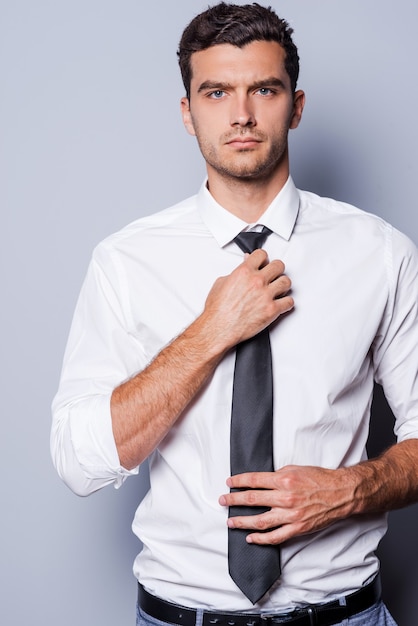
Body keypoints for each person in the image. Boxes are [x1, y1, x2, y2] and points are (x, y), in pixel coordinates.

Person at [51, 3, 418, 625]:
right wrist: (210, 332)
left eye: (264, 90)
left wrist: (352, 489)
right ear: (187, 112)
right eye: (216, 91)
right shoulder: (126, 260)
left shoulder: (379, 253)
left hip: (343, 615)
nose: (242, 114)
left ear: (295, 107)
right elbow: (79, 462)